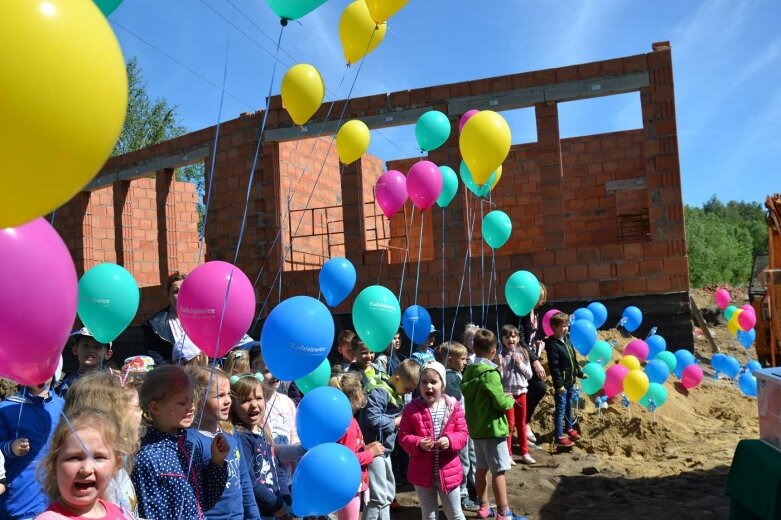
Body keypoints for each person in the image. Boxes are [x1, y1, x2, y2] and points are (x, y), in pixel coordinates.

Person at [131, 365, 229, 519]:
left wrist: (217, 463)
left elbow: (206, 502)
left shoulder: (190, 447)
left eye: (192, 401)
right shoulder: (148, 457)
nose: (191, 408)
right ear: (155, 407)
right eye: (183, 403)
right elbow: (150, 514)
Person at [461, 329, 525, 520]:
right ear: (494, 350)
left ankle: (483, 507)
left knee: (480, 469)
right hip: (493, 429)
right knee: (499, 471)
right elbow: (499, 403)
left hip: (477, 430)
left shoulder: (469, 372)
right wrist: (510, 400)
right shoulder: (491, 374)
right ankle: (504, 513)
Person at [62, 371, 143, 516]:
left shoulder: (118, 462)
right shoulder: (96, 476)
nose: (141, 412)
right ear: (117, 415)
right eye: (136, 407)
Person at [186, 367, 261, 520]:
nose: (228, 401)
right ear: (198, 398)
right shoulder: (191, 440)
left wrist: (254, 516)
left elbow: (244, 481)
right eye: (220, 395)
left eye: (228, 394)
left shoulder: (230, 433)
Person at [398, 361, 468, 520]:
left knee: (455, 513)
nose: (428, 386)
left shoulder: (453, 407)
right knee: (429, 515)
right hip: (421, 471)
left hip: (448, 470)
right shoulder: (411, 409)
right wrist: (418, 443)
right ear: (418, 385)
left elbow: (463, 433)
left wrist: (449, 440)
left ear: (443, 385)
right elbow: (403, 436)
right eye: (424, 382)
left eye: (433, 382)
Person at [35, 409, 132, 519]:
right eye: (75, 458)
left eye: (99, 457)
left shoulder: (121, 513)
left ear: (116, 465)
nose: (86, 469)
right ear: (53, 467)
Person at [358, 359, 420, 520]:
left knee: (387, 494)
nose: (407, 393)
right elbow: (371, 419)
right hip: (374, 449)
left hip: (385, 449)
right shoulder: (379, 391)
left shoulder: (394, 389)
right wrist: (395, 422)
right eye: (407, 389)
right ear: (397, 379)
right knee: (378, 496)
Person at [0, 378, 65, 519]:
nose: (39, 375)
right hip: (19, 503)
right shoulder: (6, 408)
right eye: (33, 371)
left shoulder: (63, 407)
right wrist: (10, 448)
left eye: (45, 370)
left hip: (57, 503)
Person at [230, 373, 291, 519]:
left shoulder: (263, 432)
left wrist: (285, 498)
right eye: (245, 400)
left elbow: (277, 467)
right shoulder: (242, 438)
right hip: (258, 511)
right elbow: (250, 482)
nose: (254, 404)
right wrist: (276, 505)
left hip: (275, 507)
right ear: (233, 406)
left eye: (258, 398)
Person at [329, 373, 385, 520]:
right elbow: (346, 460)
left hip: (340, 482)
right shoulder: (349, 423)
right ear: (355, 397)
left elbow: (346, 450)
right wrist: (370, 453)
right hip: (349, 484)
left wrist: (364, 449)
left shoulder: (337, 420)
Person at [436, 342, 478, 512]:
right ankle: (462, 495)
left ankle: (472, 491)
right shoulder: (450, 378)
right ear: (450, 360)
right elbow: (456, 403)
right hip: (457, 430)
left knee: (470, 459)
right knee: (463, 461)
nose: (465, 362)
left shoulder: (457, 375)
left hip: (465, 427)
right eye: (462, 359)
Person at [545, 312, 584, 448]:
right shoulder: (552, 344)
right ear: (554, 327)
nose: (566, 329)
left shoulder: (567, 340)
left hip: (570, 381)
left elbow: (573, 358)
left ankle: (569, 427)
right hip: (562, 384)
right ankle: (559, 435)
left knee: (569, 405)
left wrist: (579, 373)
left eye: (567, 326)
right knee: (560, 409)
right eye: (563, 326)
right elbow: (554, 367)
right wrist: (559, 385)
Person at [500, 325, 535, 464]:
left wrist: (520, 363)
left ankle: (525, 452)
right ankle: (508, 454)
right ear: (502, 339)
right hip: (507, 394)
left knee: (521, 424)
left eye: (513, 336)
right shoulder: (500, 354)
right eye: (507, 336)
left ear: (518, 338)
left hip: (521, 393)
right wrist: (500, 367)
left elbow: (530, 375)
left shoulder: (523, 353)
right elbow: (500, 378)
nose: (510, 339)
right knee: (509, 425)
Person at [519, 283, 548, 444]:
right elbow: (520, 339)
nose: (540, 301)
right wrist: (535, 360)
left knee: (538, 388)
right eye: (538, 297)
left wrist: (539, 344)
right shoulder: (521, 313)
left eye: (542, 298)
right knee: (538, 387)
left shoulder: (535, 313)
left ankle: (525, 421)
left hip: (530, 355)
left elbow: (532, 337)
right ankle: (524, 423)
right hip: (520, 359)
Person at [55, 327, 113, 398]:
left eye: (97, 347)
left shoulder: (112, 385)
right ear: (75, 349)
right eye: (86, 346)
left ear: (108, 354)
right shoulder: (65, 385)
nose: (90, 350)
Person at [142, 273, 186, 364]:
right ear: (168, 296)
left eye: (185, 290)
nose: (181, 294)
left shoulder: (203, 319)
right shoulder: (154, 324)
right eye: (176, 291)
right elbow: (155, 357)